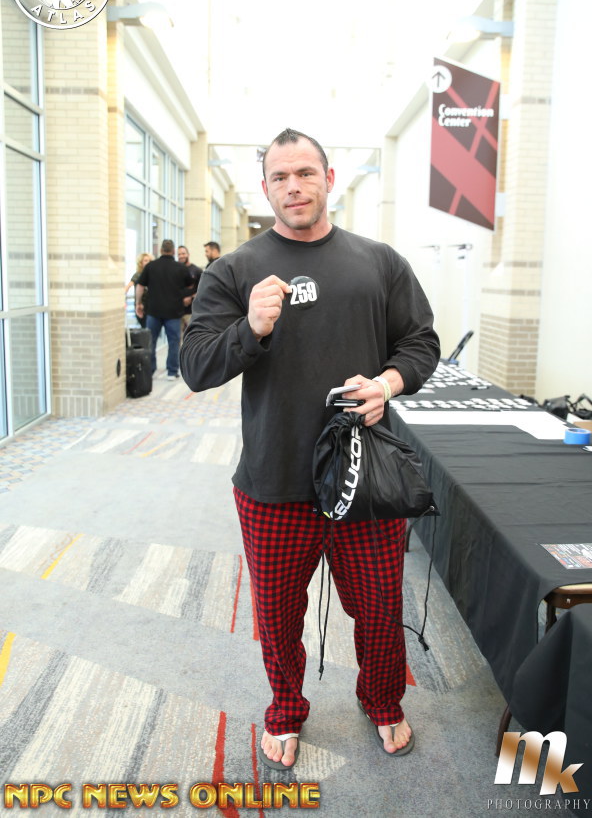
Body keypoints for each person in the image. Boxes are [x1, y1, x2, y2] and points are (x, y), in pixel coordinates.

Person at [180, 128, 440, 768]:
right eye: (280, 177)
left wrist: (387, 383)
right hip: (274, 482)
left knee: (379, 610)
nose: (293, 186)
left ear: (329, 177)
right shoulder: (235, 269)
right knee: (276, 617)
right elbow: (196, 366)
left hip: (365, 478)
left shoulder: (378, 262)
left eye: (305, 173)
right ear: (264, 187)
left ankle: (383, 700)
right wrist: (251, 328)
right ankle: (286, 708)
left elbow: (421, 343)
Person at [136, 239, 193, 380]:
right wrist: (184, 295)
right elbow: (191, 285)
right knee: (174, 342)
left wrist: (138, 303)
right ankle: (172, 372)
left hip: (153, 311)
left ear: (161, 250)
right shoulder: (180, 268)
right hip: (174, 312)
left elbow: (140, 286)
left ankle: (150, 370)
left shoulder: (151, 266)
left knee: (151, 341)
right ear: (173, 251)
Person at [177, 245, 203, 334]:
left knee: (192, 336)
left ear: (188, 254)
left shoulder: (197, 270)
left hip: (191, 312)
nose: (181, 256)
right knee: (178, 339)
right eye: (179, 254)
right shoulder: (175, 270)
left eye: (183, 253)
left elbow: (202, 289)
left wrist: (191, 297)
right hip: (177, 313)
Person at [125, 253, 153, 327]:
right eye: (145, 261)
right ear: (141, 263)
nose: (148, 263)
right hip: (141, 306)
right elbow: (129, 286)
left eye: (149, 261)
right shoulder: (138, 275)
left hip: (152, 306)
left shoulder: (153, 275)